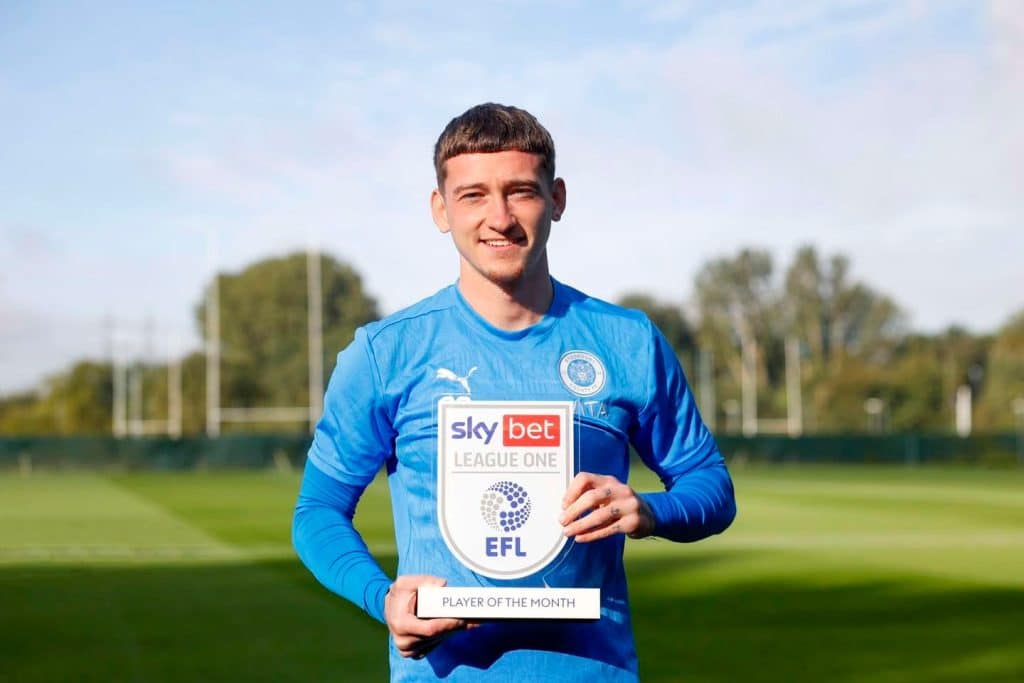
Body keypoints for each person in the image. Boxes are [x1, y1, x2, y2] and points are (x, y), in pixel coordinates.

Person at [293, 103, 736, 682]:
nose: (498, 217)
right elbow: (318, 511)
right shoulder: (385, 354)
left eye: (520, 192)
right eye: (473, 195)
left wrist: (649, 509)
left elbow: (712, 487)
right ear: (440, 209)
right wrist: (386, 600)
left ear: (557, 199)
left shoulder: (627, 341)